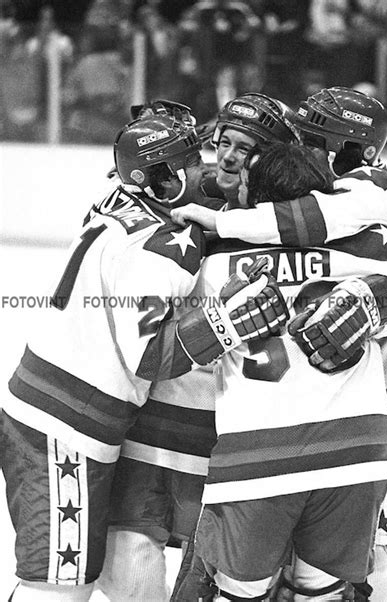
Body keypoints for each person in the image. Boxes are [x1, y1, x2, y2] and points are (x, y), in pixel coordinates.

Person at [1, 111, 289, 602]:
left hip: (53, 409)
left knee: (70, 576)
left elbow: (163, 180)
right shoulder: (160, 250)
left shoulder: (116, 198)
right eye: (184, 163)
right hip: (66, 426)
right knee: (57, 583)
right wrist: (228, 321)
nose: (200, 170)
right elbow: (148, 357)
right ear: (159, 177)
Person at [172, 140, 387, 601]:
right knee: (322, 593)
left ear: (259, 198)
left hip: (256, 460)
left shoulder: (211, 260)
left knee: (237, 594)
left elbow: (167, 350)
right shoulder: (374, 245)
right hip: (355, 455)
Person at [94, 92, 301, 601]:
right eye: (223, 142)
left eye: (246, 149)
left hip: (239, 434)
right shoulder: (183, 202)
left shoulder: (297, 224)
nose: (228, 157)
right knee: (128, 550)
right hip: (161, 417)